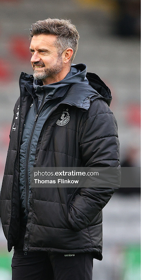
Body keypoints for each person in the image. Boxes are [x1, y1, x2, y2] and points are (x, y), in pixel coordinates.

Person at [0, 18, 120, 280]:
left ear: (67, 55)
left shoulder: (92, 107)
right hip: (26, 239)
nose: (33, 58)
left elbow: (105, 174)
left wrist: (71, 220)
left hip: (69, 242)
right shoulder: (25, 102)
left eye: (42, 51)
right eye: (32, 50)